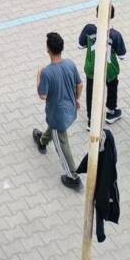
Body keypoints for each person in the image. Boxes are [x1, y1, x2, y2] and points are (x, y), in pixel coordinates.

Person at [33, 31, 84, 189]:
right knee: (54, 130)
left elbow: (42, 95)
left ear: (48, 49)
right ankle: (42, 141)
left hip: (58, 116)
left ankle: (73, 176)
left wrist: (38, 75)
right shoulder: (69, 63)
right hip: (71, 109)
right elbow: (80, 84)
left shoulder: (47, 72)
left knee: (62, 144)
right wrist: (76, 99)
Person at [79, 5, 127, 125]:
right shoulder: (115, 35)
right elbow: (122, 56)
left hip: (92, 67)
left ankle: (91, 120)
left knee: (91, 91)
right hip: (109, 69)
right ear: (112, 15)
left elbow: (80, 45)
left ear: (96, 14)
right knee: (112, 87)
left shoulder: (89, 29)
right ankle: (111, 111)